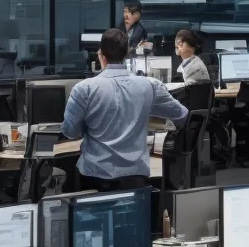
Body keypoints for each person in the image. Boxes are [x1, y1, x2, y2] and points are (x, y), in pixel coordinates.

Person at [62, 28, 190, 190]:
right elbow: (183, 116)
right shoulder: (149, 86)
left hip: (95, 177)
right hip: (135, 177)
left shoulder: (84, 89)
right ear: (127, 54)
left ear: (101, 54)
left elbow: (70, 132)